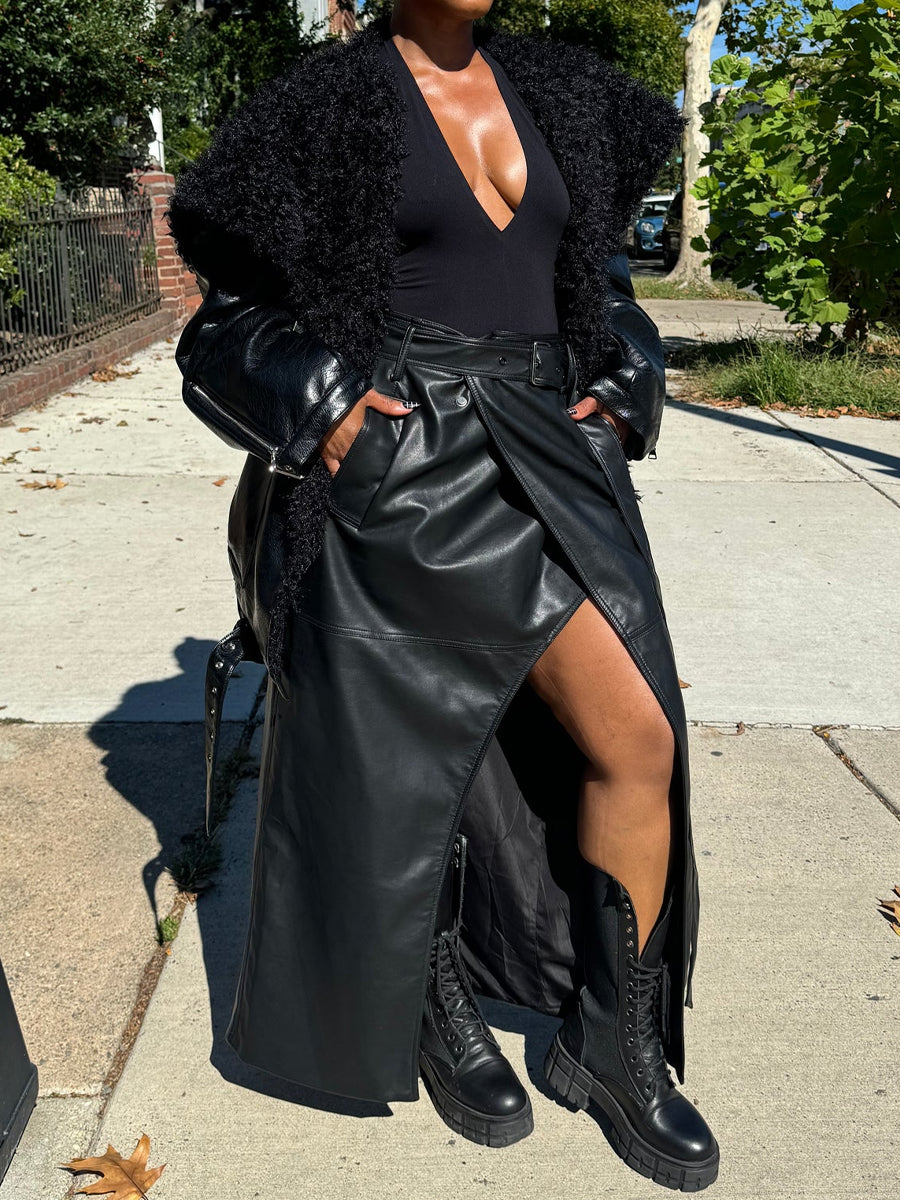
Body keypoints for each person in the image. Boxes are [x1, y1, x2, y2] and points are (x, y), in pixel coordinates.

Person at [168, 1, 719, 1190]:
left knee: (636, 739)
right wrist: (326, 412)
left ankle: (612, 1042)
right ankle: (431, 996)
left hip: (550, 452)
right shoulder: (322, 108)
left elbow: (598, 278)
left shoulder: (564, 96)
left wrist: (626, 379)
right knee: (413, 770)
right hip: (406, 466)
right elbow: (225, 319)